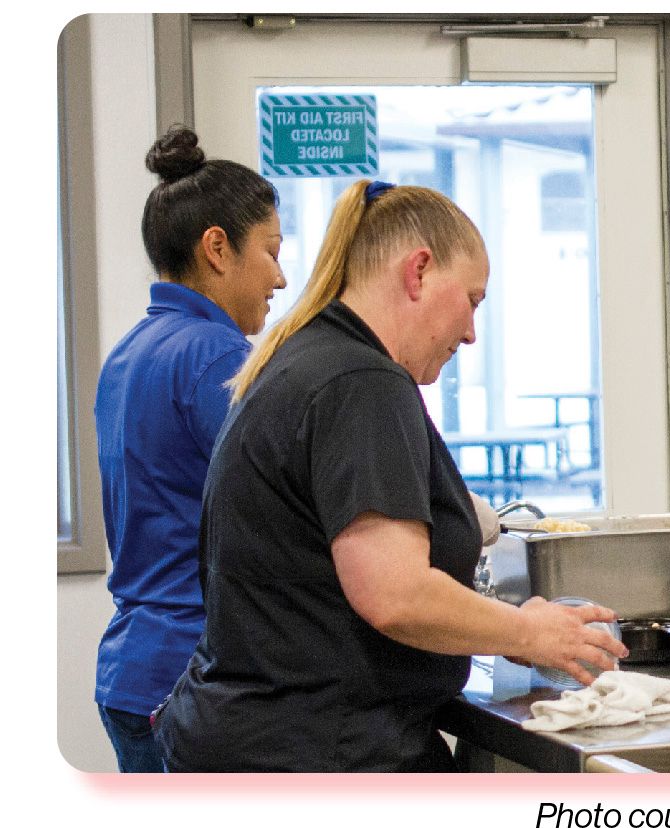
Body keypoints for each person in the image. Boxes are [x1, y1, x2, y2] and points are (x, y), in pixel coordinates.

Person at [154, 179, 625, 772]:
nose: (471, 333)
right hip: (316, 755)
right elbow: (395, 594)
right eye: (473, 301)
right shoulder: (361, 382)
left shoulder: (306, 357)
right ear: (419, 271)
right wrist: (525, 633)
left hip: (263, 737)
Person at [93, 126, 286, 772]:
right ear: (216, 249)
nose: (281, 278)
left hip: (130, 669)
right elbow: (284, 503)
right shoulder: (215, 356)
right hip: (186, 676)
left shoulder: (127, 353)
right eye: (271, 251)